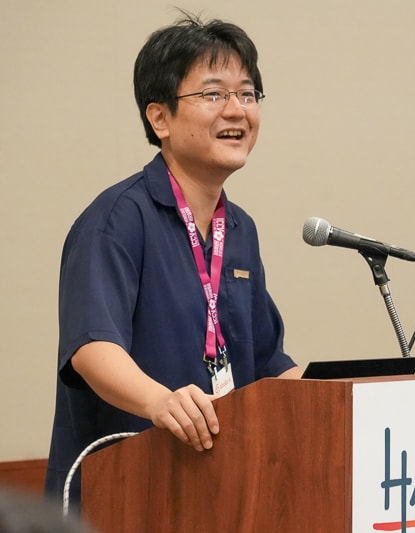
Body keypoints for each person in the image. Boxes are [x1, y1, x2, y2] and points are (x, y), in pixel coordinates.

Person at [44, 12, 302, 511]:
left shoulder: (239, 229)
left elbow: (269, 363)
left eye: (247, 94)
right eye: (214, 94)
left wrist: (343, 402)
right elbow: (92, 347)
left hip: (213, 489)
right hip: (122, 493)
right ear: (159, 118)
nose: (237, 110)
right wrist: (160, 401)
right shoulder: (117, 219)